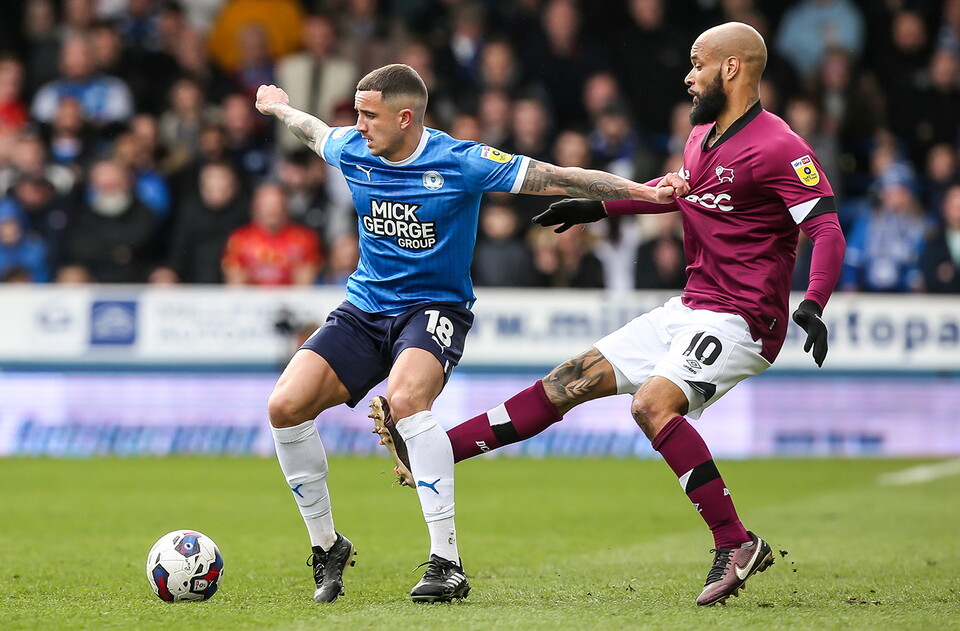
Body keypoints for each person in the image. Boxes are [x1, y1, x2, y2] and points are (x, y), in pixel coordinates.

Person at [375, 23, 847, 607]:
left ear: (731, 68)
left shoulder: (779, 146)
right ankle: (435, 448)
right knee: (568, 380)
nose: (688, 74)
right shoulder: (701, 136)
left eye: (698, 63)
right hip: (692, 306)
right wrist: (598, 205)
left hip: (744, 319)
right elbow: (674, 193)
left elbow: (824, 225)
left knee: (651, 403)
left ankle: (736, 542)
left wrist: (815, 302)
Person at [254, 64, 675, 604]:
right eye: (357, 114)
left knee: (405, 400)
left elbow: (559, 175)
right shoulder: (355, 148)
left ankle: (445, 562)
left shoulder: (461, 162)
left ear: (405, 118)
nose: (356, 125)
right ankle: (327, 547)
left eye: (368, 115)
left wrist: (645, 193)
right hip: (364, 307)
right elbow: (314, 132)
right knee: (284, 407)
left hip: (435, 308)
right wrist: (280, 108)